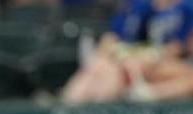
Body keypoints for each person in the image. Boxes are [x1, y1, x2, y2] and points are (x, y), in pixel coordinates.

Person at [61, 0, 193, 104]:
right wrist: (126, 55)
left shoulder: (187, 8)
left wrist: (146, 56)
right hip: (136, 64)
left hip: (172, 67)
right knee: (101, 67)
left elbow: (178, 49)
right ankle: (68, 107)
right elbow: (112, 40)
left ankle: (147, 94)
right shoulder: (141, 6)